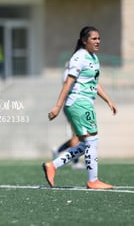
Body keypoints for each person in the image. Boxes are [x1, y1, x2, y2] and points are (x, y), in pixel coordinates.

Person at [42, 26, 117, 190]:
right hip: (78, 102)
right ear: (84, 41)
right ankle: (93, 180)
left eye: (99, 38)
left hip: (85, 103)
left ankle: (53, 165)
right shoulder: (79, 57)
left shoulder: (94, 58)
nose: (98, 41)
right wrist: (57, 106)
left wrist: (108, 101)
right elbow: (68, 83)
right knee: (92, 140)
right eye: (94, 39)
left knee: (87, 143)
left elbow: (95, 84)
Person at [51, 62, 85, 170]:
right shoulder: (69, 73)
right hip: (72, 106)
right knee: (77, 136)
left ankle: (58, 150)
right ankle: (75, 162)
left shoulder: (68, 71)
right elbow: (68, 86)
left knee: (78, 136)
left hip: (73, 105)